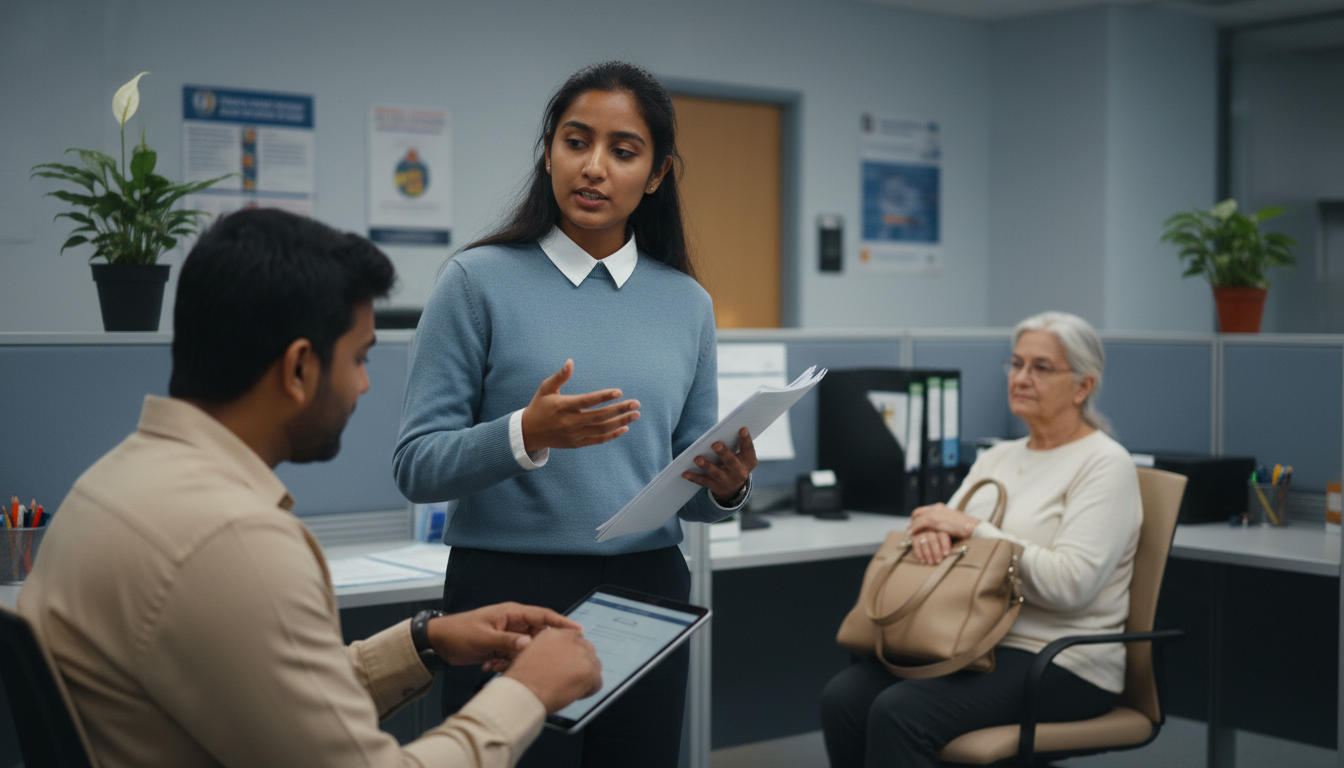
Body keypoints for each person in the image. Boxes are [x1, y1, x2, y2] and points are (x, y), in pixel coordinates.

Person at [18, 208, 603, 768]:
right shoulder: (232, 542)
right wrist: (529, 691)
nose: (364, 385)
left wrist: (425, 642)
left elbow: (277, 695)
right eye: (359, 358)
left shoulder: (115, 481)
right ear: (299, 369)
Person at [393, 61, 757, 768]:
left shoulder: (686, 302)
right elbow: (416, 464)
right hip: (507, 595)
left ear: (655, 175)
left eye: (623, 151)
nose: (593, 168)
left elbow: (692, 477)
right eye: (575, 141)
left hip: (645, 589)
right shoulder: (477, 282)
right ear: (549, 151)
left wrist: (727, 487)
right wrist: (526, 434)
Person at [819, 311, 1142, 767]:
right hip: (975, 641)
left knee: (900, 712)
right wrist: (934, 536)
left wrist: (974, 531)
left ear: (1083, 387)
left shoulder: (1105, 464)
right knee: (845, 698)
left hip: (1061, 658)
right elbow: (950, 533)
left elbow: (1072, 585)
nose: (1021, 378)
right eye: (1016, 364)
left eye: (1040, 367)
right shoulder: (998, 457)